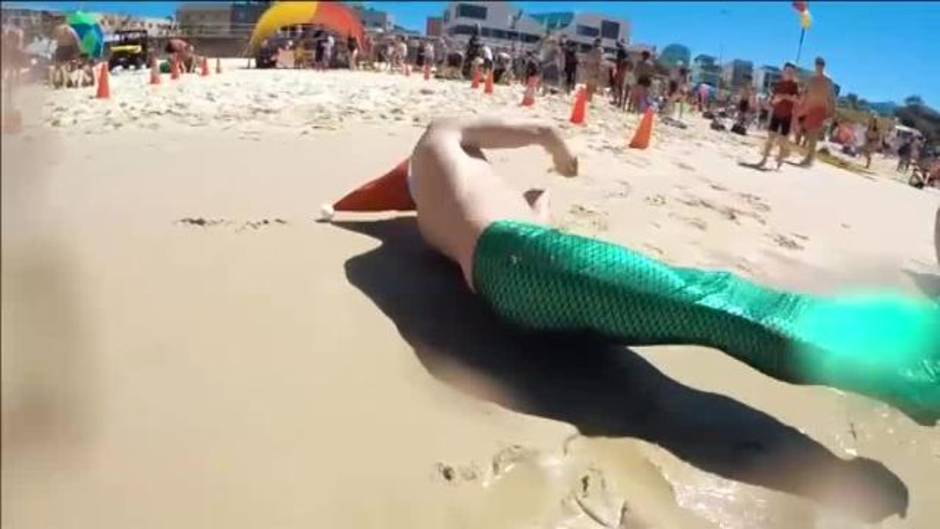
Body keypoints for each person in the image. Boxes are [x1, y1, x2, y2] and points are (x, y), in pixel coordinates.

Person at [326, 115, 940, 425]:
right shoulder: (442, 134)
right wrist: (562, 159)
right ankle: (907, 366)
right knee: (711, 300)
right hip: (522, 258)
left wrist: (537, 204)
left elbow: (505, 229)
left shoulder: (432, 218)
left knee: (699, 314)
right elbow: (545, 130)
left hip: (508, 294)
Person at [757, 62, 800, 170]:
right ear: (783, 71)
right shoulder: (778, 84)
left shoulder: (794, 85)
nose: (789, 73)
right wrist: (775, 100)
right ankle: (764, 159)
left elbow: (797, 99)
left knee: (782, 141)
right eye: (787, 71)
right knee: (770, 138)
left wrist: (784, 96)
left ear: (794, 73)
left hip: (787, 116)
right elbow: (772, 102)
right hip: (776, 114)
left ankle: (780, 161)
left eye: (791, 72)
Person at [796, 57, 836, 167]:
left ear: (824, 66)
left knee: (813, 134)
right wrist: (801, 104)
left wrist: (831, 113)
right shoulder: (811, 79)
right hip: (809, 109)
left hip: (821, 109)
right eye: (817, 64)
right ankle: (808, 156)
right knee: (807, 133)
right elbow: (805, 93)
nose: (819, 66)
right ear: (815, 65)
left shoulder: (828, 80)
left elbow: (832, 97)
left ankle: (809, 159)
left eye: (821, 64)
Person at [583, 38, 604, 102]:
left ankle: (588, 98)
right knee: (590, 84)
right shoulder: (596, 49)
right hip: (592, 69)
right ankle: (588, 98)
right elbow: (598, 60)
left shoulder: (596, 49)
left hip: (591, 69)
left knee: (590, 84)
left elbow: (598, 60)